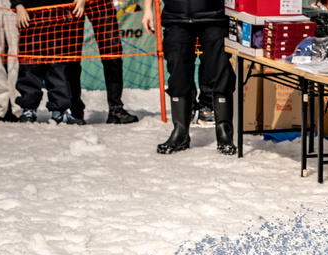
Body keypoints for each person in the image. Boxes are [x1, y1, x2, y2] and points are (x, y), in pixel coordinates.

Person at [143, 0, 236, 154]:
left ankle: (224, 134)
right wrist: (148, 9)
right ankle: (180, 133)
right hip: (176, 17)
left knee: (221, 72)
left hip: (214, 16)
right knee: (178, 75)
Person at [65, 0, 140, 124]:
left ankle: (116, 109)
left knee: (112, 53)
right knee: (71, 56)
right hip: (72, 3)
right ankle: (74, 109)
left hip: (100, 3)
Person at [12, 0, 81, 123]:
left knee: (58, 67)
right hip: (30, 17)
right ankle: (28, 109)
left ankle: (59, 111)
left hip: (58, 16)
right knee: (30, 66)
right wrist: (18, 5)